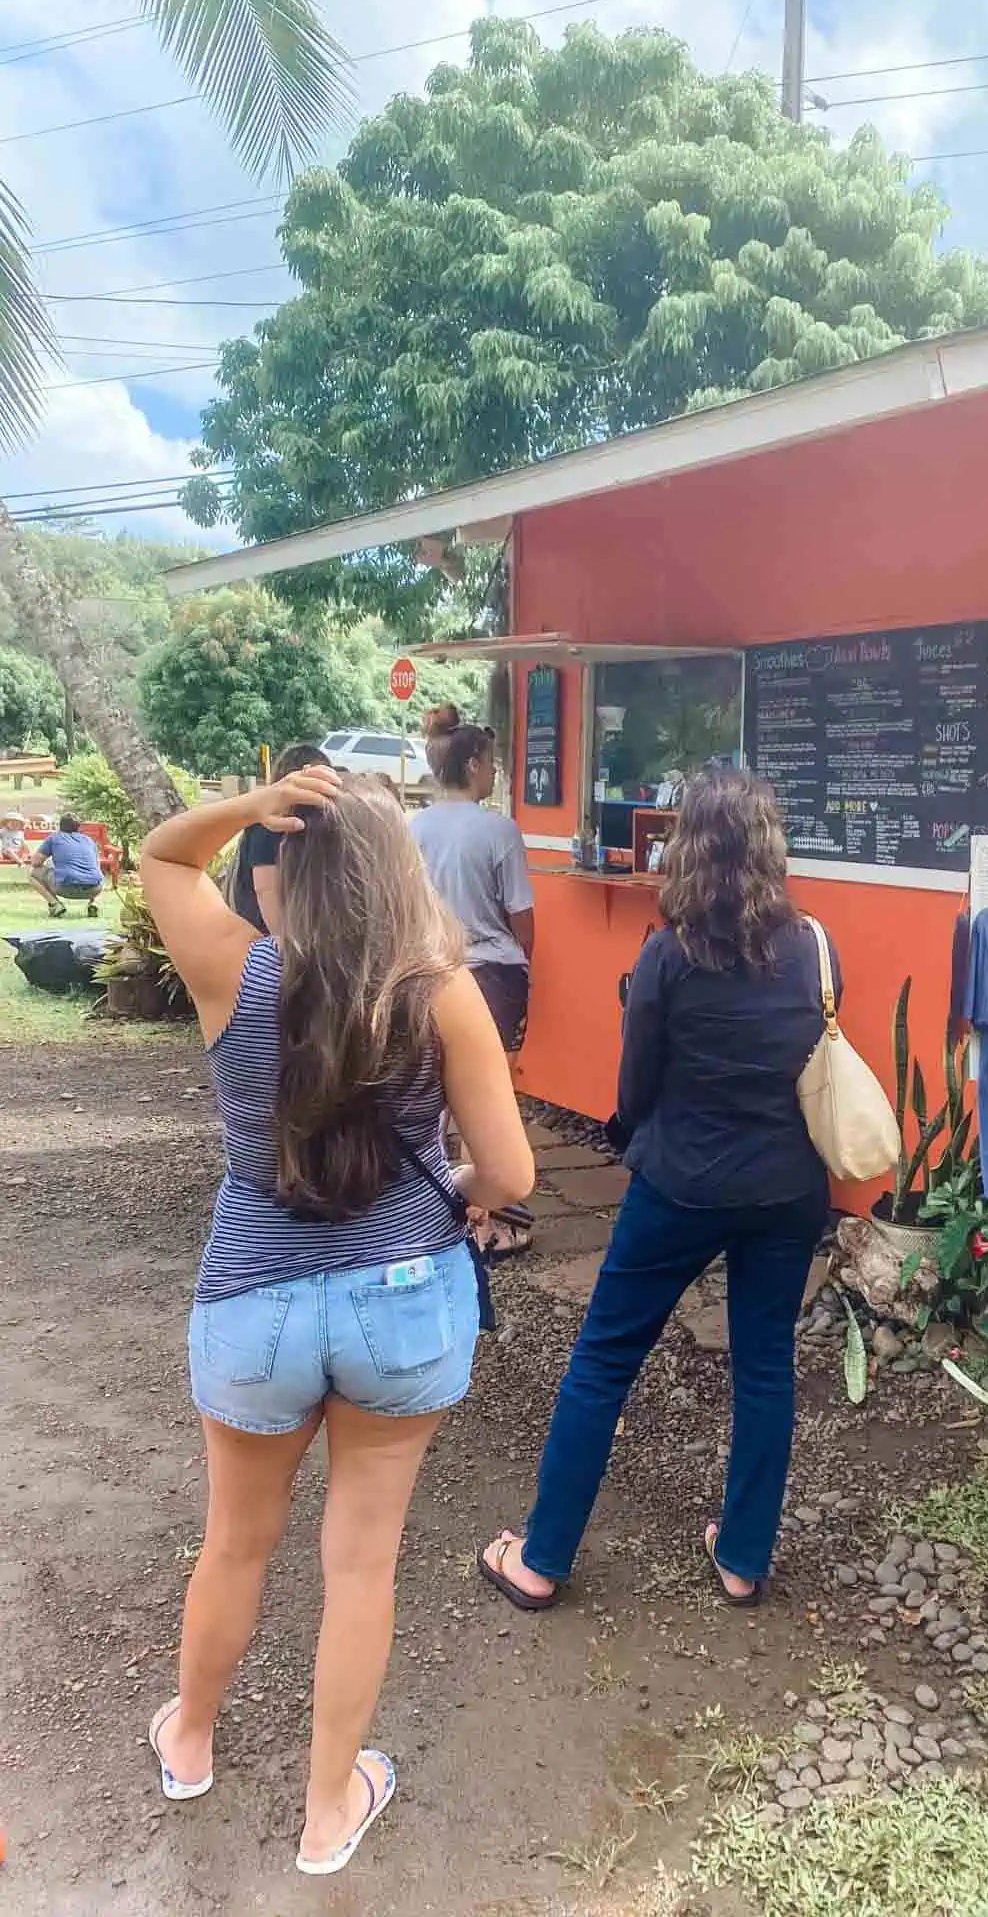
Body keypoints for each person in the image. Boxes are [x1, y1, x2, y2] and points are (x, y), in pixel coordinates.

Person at [139, 769, 534, 1875]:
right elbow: (507, 1170)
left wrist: (246, 803)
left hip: (252, 1303)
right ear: (394, 869)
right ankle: (327, 1810)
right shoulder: (441, 988)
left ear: (285, 872)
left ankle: (191, 1739)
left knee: (235, 1541)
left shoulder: (233, 967)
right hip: (402, 1302)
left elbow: (162, 856)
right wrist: (455, 1187)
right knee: (360, 1564)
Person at [479, 767, 835, 1612]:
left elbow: (635, 1086)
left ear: (689, 849)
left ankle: (541, 1559)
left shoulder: (668, 953)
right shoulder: (815, 945)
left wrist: (631, 1139)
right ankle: (743, 1560)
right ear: (769, 847)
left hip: (681, 1183)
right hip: (787, 1190)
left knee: (604, 1358)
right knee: (765, 1367)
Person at [411, 722, 535, 1248]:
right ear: (471, 766)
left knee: (426, 1092)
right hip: (490, 973)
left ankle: (421, 1209)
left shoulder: (411, 827)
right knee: (488, 1100)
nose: (494, 770)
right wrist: (525, 965)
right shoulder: (498, 831)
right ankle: (486, 1227)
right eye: (488, 761)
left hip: (425, 970)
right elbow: (521, 916)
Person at [226, 743, 333, 935]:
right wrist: (285, 947)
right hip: (262, 938)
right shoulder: (270, 824)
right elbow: (266, 890)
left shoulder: (303, 821)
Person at [30, 813, 104, 918]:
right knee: (98, 874)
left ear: (60, 825)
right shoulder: (89, 840)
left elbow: (35, 862)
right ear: (79, 826)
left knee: (32, 873)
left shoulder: (54, 838)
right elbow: (97, 865)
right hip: (95, 888)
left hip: (64, 887)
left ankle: (55, 905)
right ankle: (94, 903)